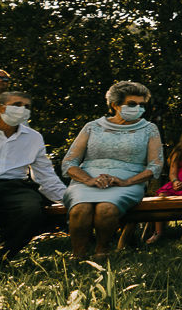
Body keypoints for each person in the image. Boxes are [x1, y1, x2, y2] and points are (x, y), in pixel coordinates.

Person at [62, 81, 164, 262]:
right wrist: (88, 180)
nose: (138, 108)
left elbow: (155, 165)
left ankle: (102, 252)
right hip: (87, 181)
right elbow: (70, 162)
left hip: (127, 181)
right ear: (115, 105)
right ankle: (78, 256)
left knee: (106, 209)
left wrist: (126, 182)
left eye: (142, 105)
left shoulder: (149, 129)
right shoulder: (92, 127)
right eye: (132, 104)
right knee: (80, 209)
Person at [0, 91, 67, 266]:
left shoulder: (33, 137)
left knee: (31, 210)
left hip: (14, 187)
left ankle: (1, 259)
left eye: (27, 107)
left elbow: (46, 176)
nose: (22, 110)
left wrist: (70, 200)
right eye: (17, 105)